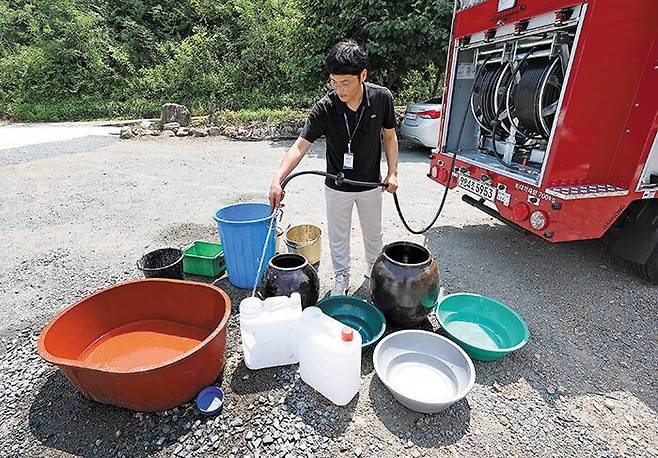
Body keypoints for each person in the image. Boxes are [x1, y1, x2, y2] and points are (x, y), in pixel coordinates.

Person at [269, 39, 399, 295]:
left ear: (363, 75)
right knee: (338, 237)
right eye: (334, 82)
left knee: (374, 235)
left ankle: (374, 273)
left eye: (346, 83)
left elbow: (390, 135)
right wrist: (278, 179)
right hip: (336, 186)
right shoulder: (325, 108)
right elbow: (299, 146)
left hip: (370, 184)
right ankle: (341, 277)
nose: (339, 89)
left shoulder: (382, 98)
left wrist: (392, 171)